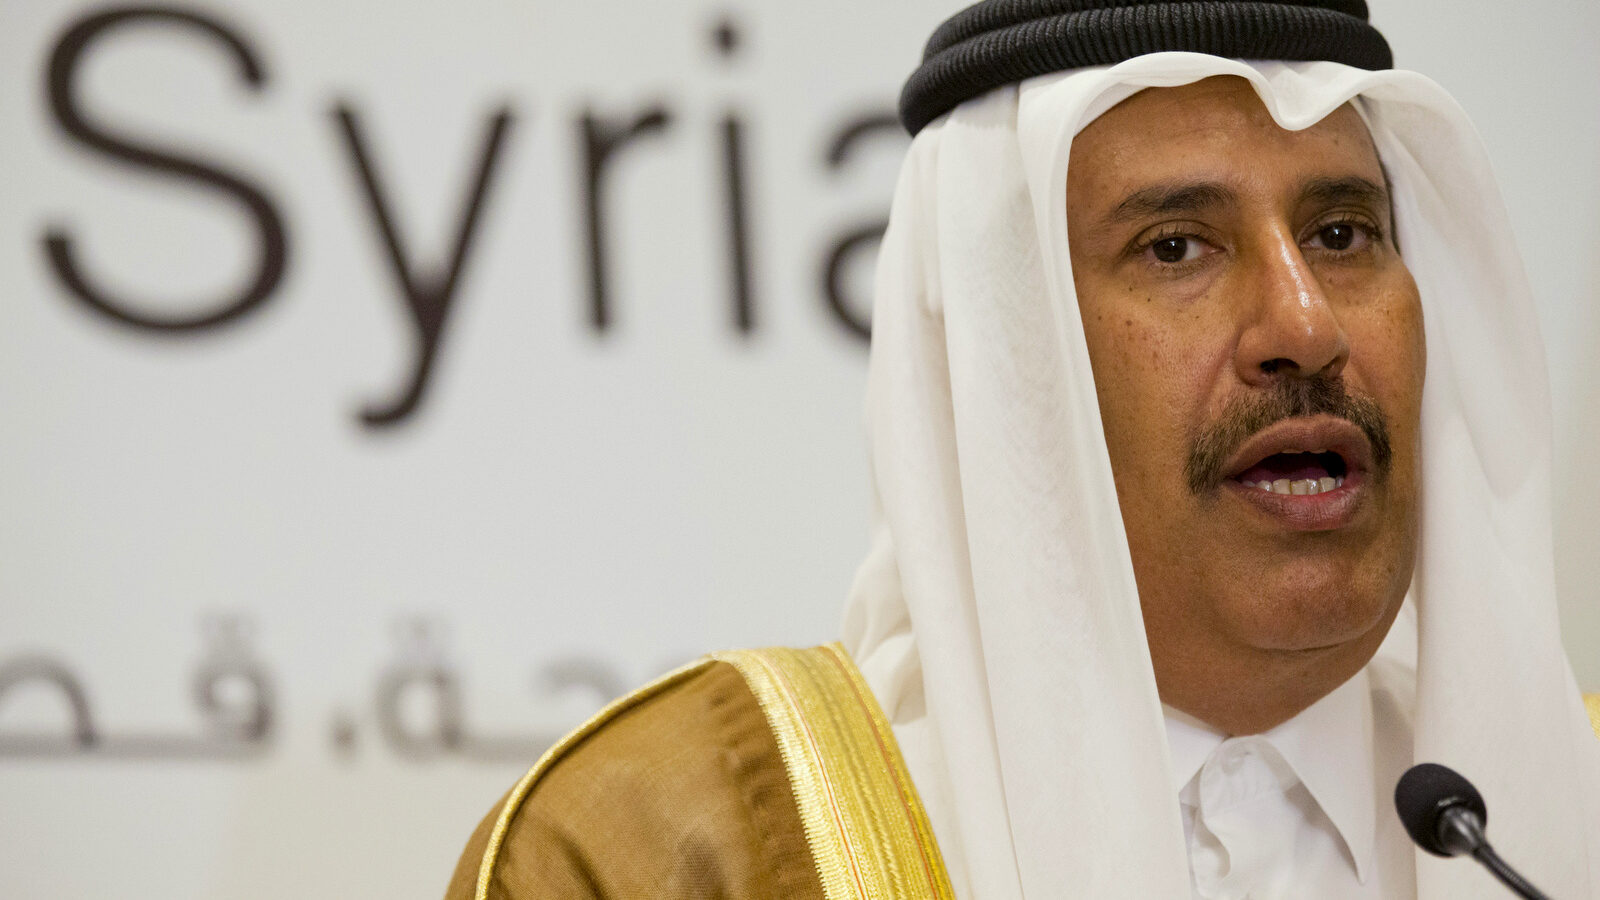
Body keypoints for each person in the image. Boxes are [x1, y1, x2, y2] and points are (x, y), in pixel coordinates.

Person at [445, 2, 1600, 897]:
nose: (1302, 325)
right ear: (1012, 358)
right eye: (1176, 248)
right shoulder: (678, 853)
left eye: (1342, 233)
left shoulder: (1558, 822)